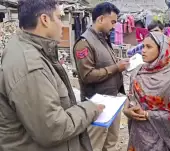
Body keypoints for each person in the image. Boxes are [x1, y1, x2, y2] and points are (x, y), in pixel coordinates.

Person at [0, 0, 104, 151]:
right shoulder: (30, 66)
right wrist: (90, 108)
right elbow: (52, 129)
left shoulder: (30, 48)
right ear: (45, 20)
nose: (62, 25)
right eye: (58, 17)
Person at [73, 2, 129, 151]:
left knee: (111, 142)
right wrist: (116, 67)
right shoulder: (84, 43)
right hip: (96, 103)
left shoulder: (103, 39)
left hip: (112, 100)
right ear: (100, 19)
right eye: (112, 22)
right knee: (93, 144)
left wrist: (119, 64)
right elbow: (87, 75)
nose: (114, 26)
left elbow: (105, 62)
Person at [123, 32, 170, 151]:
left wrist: (147, 114)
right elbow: (130, 98)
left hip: (160, 138)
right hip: (137, 134)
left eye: (149, 47)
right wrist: (126, 111)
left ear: (162, 51)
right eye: (143, 46)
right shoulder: (138, 71)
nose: (143, 50)